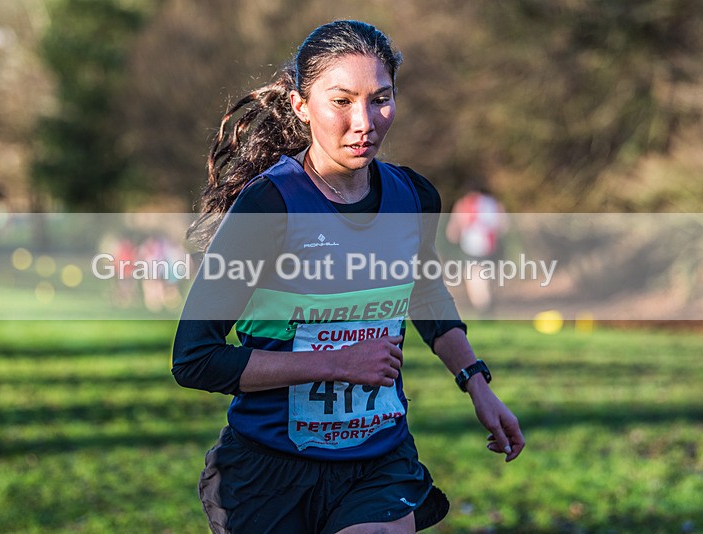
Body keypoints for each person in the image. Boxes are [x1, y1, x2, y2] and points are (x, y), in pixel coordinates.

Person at [172, 20, 524, 533]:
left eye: (381, 98)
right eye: (341, 101)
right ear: (300, 106)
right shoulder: (269, 206)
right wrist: (336, 362)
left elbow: (423, 290)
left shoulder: (413, 198)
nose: (365, 121)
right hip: (269, 473)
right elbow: (195, 358)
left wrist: (475, 381)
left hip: (378, 463)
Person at [445, 184, 508, 314]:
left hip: (472, 247)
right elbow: (504, 225)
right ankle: (487, 303)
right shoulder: (493, 203)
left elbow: (452, 231)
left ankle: (483, 307)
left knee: (475, 278)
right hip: (491, 247)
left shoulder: (463, 203)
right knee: (487, 277)